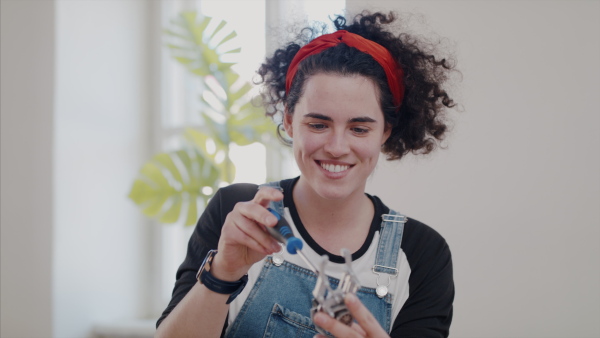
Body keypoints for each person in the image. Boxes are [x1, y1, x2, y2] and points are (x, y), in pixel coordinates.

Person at [156, 11, 456, 338]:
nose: (337, 147)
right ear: (288, 120)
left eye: (359, 128)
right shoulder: (240, 212)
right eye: (318, 124)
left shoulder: (422, 252)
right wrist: (223, 273)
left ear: (385, 132)